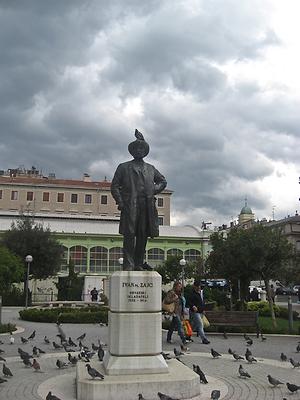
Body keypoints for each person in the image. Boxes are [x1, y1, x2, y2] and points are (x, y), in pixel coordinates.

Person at [111, 129, 167, 271]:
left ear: (145, 151)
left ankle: (138, 262)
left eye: (142, 148)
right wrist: (121, 202)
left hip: (146, 205)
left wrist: (153, 190)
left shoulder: (151, 168)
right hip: (130, 204)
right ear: (132, 151)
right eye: (136, 148)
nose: (139, 150)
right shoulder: (123, 167)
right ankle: (128, 264)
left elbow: (163, 181)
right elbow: (115, 186)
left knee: (142, 234)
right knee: (129, 234)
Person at [165, 281, 188, 347]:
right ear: (175, 286)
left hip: (179, 312)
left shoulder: (179, 294)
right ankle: (183, 339)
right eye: (179, 287)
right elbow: (166, 301)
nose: (180, 288)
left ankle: (168, 338)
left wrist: (182, 313)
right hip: (174, 312)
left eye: (180, 287)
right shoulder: (171, 293)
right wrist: (174, 299)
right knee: (179, 326)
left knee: (172, 326)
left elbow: (181, 304)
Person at [189, 280, 210, 344]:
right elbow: (189, 302)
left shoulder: (200, 293)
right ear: (194, 286)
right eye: (197, 286)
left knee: (194, 326)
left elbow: (201, 303)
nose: (199, 287)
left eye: (199, 286)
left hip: (200, 312)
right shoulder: (192, 294)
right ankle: (204, 339)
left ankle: (187, 336)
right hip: (195, 312)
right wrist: (193, 306)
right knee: (200, 324)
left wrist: (203, 310)